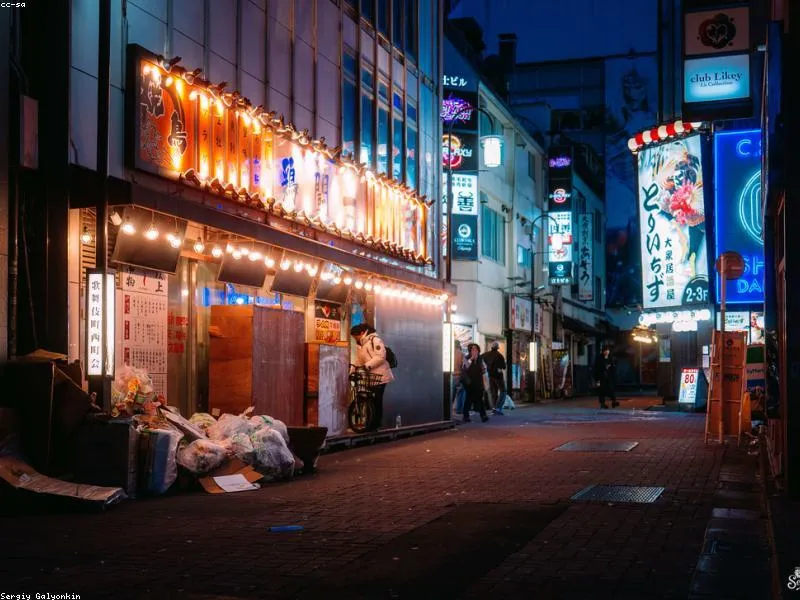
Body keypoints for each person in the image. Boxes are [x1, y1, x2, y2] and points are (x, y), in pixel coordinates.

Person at [350, 323, 395, 430]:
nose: (355, 338)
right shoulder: (361, 344)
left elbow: (381, 357)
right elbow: (358, 360)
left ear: (362, 333)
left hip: (381, 376)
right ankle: (369, 423)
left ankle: (376, 424)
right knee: (369, 399)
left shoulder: (375, 340)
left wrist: (367, 366)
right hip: (370, 376)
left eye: (355, 336)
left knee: (376, 400)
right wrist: (352, 370)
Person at [461, 343, 489, 423]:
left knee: (480, 399)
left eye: (476, 349)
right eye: (472, 349)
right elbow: (465, 367)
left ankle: (483, 416)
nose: (474, 351)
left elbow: (484, 370)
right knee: (468, 399)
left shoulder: (480, 359)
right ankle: (466, 416)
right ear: (470, 350)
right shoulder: (466, 358)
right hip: (469, 382)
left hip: (478, 381)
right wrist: (471, 359)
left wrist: (485, 382)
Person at [482, 341, 507, 415]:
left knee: (494, 392)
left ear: (491, 347)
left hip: (490, 376)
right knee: (503, 391)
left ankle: (494, 408)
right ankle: (498, 408)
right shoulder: (499, 355)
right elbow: (504, 367)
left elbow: (480, 359)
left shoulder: (485, 354)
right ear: (497, 348)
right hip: (498, 376)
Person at [452, 341, 466, 415]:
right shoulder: (461, 354)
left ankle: (448, 411)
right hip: (459, 376)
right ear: (459, 345)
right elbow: (465, 365)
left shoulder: (449, 353)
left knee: (451, 394)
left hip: (451, 376)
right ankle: (459, 410)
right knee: (460, 393)